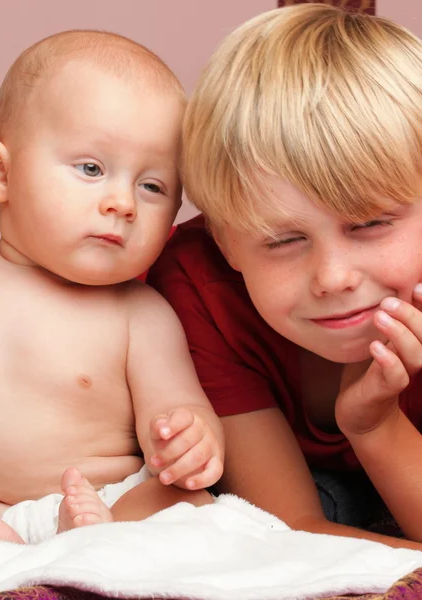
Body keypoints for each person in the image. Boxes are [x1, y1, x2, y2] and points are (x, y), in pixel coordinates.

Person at [147, 3, 422, 551]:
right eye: (283, 241)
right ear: (226, 241)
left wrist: (375, 425)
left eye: (368, 223)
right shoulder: (200, 289)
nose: (334, 277)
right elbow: (293, 531)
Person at [0, 29, 224, 545]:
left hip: (102, 500)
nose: (123, 204)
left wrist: (193, 438)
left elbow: (181, 407)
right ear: (0, 172)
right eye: (92, 169)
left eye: (152, 186)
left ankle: (87, 539)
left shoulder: (142, 315)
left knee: (190, 500)